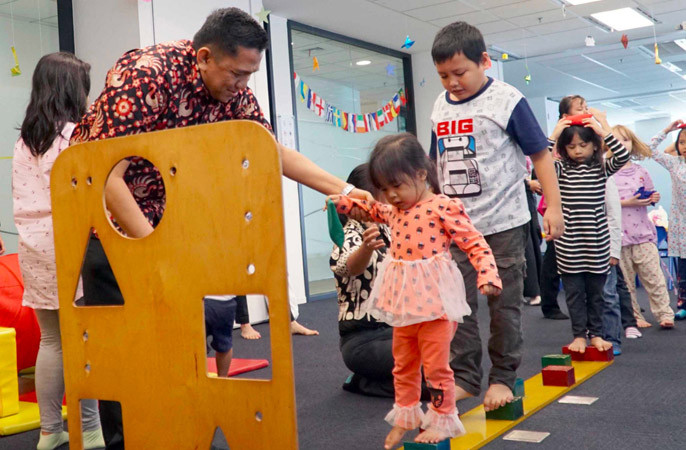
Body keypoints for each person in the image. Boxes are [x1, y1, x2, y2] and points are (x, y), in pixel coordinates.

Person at [69, 8, 369, 449]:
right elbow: (105, 177)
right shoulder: (145, 76)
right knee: (128, 357)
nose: (241, 85)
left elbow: (270, 151)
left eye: (249, 76)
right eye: (236, 74)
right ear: (204, 56)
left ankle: (186, 435)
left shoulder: (234, 94)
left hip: (170, 228)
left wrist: (345, 190)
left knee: (181, 348)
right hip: (109, 229)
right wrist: (152, 253)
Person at [329, 133, 501, 448]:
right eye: (384, 188)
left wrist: (488, 273)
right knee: (403, 363)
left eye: (397, 185)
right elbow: (370, 210)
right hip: (404, 303)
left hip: (435, 304)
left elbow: (474, 241)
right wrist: (343, 202)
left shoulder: (442, 206)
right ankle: (406, 417)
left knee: (435, 366)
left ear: (421, 173)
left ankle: (442, 418)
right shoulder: (392, 209)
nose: (391, 195)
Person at [428, 21, 564, 412]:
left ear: (484, 61)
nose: (451, 83)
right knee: (457, 305)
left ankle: (503, 377)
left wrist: (553, 207)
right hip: (456, 226)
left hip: (504, 222)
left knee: (503, 305)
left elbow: (540, 154)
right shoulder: (440, 105)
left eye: (459, 73)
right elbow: (437, 160)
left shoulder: (507, 99)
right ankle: (466, 377)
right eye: (442, 76)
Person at [12, 52, 106, 450]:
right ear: (72, 90)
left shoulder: (25, 138)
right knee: (83, 339)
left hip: (33, 243)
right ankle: (91, 429)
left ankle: (50, 432)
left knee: (51, 341)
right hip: (69, 241)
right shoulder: (75, 134)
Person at [552, 110, 630, 353]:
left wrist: (602, 129)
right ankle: (579, 336)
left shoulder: (601, 168)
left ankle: (596, 334)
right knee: (574, 295)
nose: (577, 150)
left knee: (596, 294)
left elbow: (623, 155)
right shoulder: (560, 170)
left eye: (583, 145)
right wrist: (554, 135)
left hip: (596, 243)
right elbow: (540, 163)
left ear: (594, 146)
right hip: (569, 244)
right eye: (571, 146)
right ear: (564, 148)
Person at [330, 164, 394, 398]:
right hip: (364, 340)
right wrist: (366, 248)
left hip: (395, 330)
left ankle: (382, 378)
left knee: (446, 359)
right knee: (426, 374)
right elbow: (348, 266)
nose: (392, 198)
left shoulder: (389, 229)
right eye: (385, 193)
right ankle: (364, 382)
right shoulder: (349, 232)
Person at [612, 124, 675, 329]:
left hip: (644, 233)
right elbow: (601, 202)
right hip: (619, 237)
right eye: (616, 140)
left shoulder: (641, 171)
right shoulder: (606, 172)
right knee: (627, 283)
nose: (621, 144)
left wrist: (653, 197)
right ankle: (634, 316)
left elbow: (649, 193)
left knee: (654, 278)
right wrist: (626, 202)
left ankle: (665, 314)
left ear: (632, 144)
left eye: (626, 140)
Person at [538, 94, 591, 320]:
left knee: (588, 262)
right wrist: (555, 134)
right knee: (554, 259)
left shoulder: (591, 140)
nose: (586, 110)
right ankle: (549, 305)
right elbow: (543, 163)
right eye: (581, 108)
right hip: (561, 209)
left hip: (586, 211)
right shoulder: (561, 145)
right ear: (565, 116)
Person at [648, 120, 686, 321]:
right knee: (683, 269)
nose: (685, 146)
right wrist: (668, 131)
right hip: (681, 224)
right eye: (682, 143)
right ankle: (683, 304)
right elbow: (650, 150)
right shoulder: (674, 163)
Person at [602, 176, 623, 355]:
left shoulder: (605, 178)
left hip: (605, 247)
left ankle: (612, 338)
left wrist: (614, 250)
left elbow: (614, 216)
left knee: (608, 294)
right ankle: (594, 336)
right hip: (580, 247)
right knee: (586, 296)